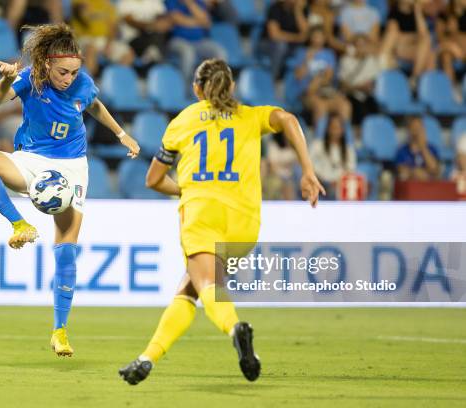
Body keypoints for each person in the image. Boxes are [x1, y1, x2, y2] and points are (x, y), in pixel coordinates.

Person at [119, 58, 324, 385]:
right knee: (189, 288)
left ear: (196, 88)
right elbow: (288, 119)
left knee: (208, 287)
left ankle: (235, 329)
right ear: (231, 87)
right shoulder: (250, 116)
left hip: (203, 216)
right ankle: (147, 358)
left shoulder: (182, 121)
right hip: (244, 223)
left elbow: (153, 180)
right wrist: (308, 171)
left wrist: (183, 190)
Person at [0, 23, 140, 358]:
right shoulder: (29, 78)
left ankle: (59, 330)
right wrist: (7, 78)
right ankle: (19, 224)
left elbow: (94, 105)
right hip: (30, 159)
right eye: (63, 72)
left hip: (71, 169)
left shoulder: (82, 84)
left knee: (67, 251)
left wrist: (120, 134)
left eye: (74, 72)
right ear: (46, 66)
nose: (69, 78)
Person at [310, 113, 356, 199]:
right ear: (328, 129)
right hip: (319, 183)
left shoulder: (348, 150)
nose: (335, 131)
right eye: (333, 128)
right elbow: (309, 164)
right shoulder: (317, 145)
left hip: (339, 186)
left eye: (338, 128)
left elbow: (350, 169)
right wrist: (320, 179)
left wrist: (338, 181)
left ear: (342, 130)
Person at [395, 116, 440, 181]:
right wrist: (414, 172)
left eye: (419, 127)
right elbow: (401, 171)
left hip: (428, 188)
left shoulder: (431, 149)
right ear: (409, 130)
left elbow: (434, 169)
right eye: (414, 128)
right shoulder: (402, 151)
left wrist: (423, 148)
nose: (417, 131)